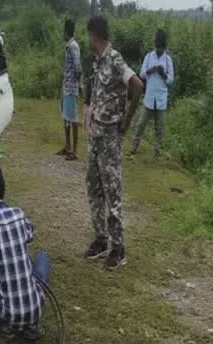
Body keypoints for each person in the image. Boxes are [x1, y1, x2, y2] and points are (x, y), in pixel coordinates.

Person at [84, 16, 142, 269]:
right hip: (96, 135)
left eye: (88, 36)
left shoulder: (115, 59)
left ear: (94, 35)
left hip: (109, 138)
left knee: (112, 190)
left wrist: (126, 122)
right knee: (93, 186)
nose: (88, 40)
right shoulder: (97, 61)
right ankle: (101, 238)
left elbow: (137, 86)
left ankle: (119, 248)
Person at [0, 168, 50, 341]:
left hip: (8, 312)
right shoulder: (18, 213)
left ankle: (7, 326)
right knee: (42, 257)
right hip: (35, 308)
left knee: (3, 281)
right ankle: (32, 327)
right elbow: (30, 233)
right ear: (4, 190)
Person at [131, 30, 174, 158]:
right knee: (140, 124)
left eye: (162, 48)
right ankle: (134, 146)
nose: (160, 50)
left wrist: (163, 74)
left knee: (159, 128)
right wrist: (150, 70)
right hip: (149, 97)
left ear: (164, 47)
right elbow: (141, 74)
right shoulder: (149, 56)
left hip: (161, 99)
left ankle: (157, 152)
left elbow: (171, 79)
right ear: (155, 45)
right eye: (158, 48)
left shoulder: (167, 59)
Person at [56, 19, 82, 161]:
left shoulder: (73, 46)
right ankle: (67, 147)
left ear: (67, 32)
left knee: (72, 119)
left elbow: (78, 69)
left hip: (71, 88)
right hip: (66, 87)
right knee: (66, 117)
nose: (62, 34)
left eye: (63, 31)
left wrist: (78, 86)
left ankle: (75, 151)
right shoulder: (69, 46)